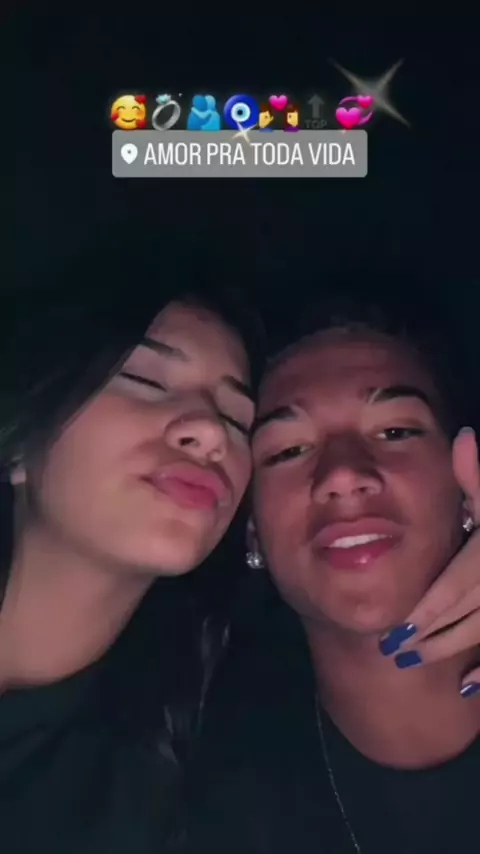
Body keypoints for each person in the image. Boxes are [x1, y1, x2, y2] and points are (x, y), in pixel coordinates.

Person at [186, 281, 480, 854]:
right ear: (252, 529)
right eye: (287, 451)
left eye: (395, 431)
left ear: (466, 489)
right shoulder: (195, 796)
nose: (343, 475)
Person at [0, 227, 263, 854]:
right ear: (20, 447)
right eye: (145, 380)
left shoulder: (183, 783)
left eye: (238, 419)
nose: (210, 432)